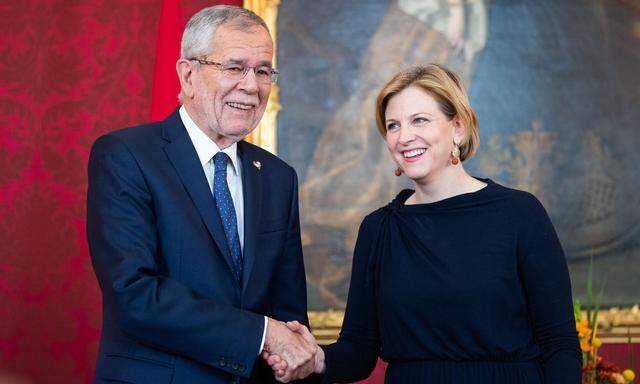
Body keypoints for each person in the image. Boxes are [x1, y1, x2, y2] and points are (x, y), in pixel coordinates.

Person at [265, 64, 582, 383]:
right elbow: (359, 351)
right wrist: (317, 358)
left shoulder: (519, 213)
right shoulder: (379, 229)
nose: (404, 137)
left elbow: (560, 345)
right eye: (393, 125)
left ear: (457, 128)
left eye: (419, 120)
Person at [87, 5, 317, 383]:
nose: (251, 85)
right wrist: (261, 335)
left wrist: (295, 353)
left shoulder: (277, 177)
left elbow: (288, 316)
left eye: (263, 71)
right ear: (188, 74)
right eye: (233, 67)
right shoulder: (126, 155)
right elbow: (133, 293)